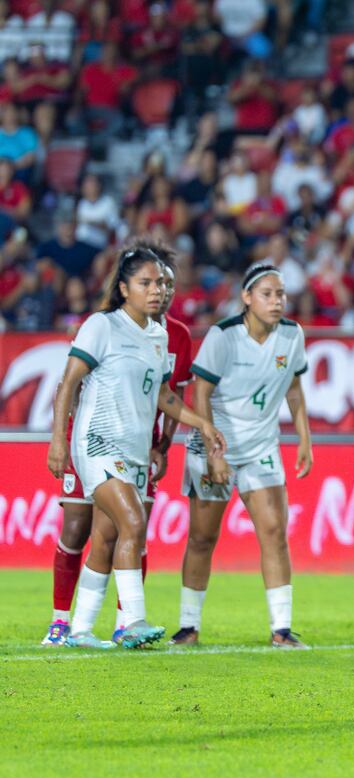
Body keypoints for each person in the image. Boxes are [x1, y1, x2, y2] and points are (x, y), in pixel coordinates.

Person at [46, 245, 225, 649]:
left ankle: (80, 630)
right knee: (134, 524)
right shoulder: (102, 325)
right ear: (124, 288)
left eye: (162, 282)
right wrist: (59, 440)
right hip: (96, 443)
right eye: (146, 282)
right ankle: (133, 621)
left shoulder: (159, 335)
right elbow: (69, 382)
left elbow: (164, 395)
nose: (157, 290)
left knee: (107, 538)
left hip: (134, 450)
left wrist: (203, 425)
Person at [171, 263, 313, 648]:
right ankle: (188, 626)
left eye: (281, 294)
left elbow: (294, 387)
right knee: (203, 536)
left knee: (273, 533)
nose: (276, 301)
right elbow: (200, 392)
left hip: (262, 446)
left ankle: (281, 629)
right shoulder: (224, 336)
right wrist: (214, 449)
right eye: (267, 294)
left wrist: (304, 438)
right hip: (216, 442)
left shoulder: (292, 335)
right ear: (247, 298)